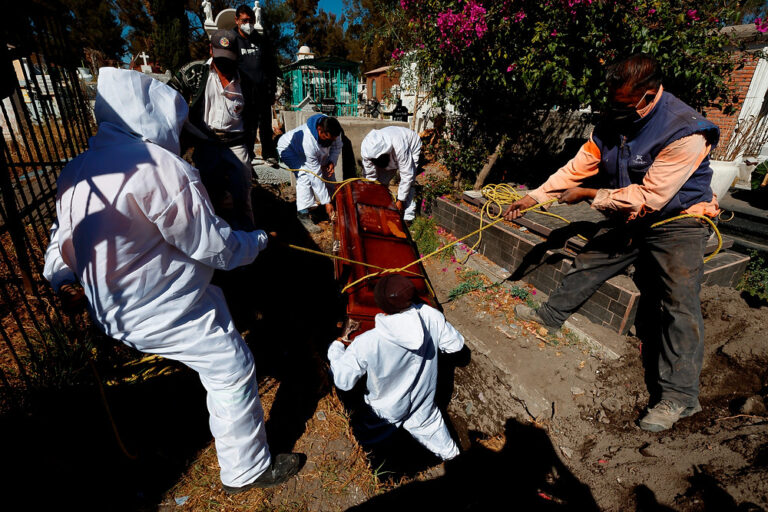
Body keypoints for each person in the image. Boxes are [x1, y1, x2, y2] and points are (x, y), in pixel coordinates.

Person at [43, 68, 300, 493]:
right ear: (153, 116)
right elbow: (214, 246)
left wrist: (62, 279)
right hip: (160, 307)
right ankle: (246, 468)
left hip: (111, 307)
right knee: (230, 366)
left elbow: (61, 238)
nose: (180, 138)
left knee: (214, 317)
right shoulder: (158, 167)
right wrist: (259, 241)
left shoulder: (76, 170)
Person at [503, 54, 720, 433]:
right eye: (611, 101)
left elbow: (650, 197)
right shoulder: (614, 120)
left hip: (677, 220)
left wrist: (589, 195)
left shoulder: (686, 131)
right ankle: (551, 317)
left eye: (622, 103)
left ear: (648, 94)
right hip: (631, 215)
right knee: (591, 259)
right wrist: (535, 197)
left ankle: (680, 397)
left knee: (679, 302)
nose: (614, 110)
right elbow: (579, 166)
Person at [327, 274, 464, 460]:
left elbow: (343, 381)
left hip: (385, 412)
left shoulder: (368, 341)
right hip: (423, 402)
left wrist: (337, 346)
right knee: (449, 451)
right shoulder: (431, 316)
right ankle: (463, 468)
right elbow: (455, 345)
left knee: (365, 448)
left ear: (380, 304)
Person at [168, 30, 255, 231]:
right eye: (220, 59)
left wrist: (249, 148)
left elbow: (252, 118)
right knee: (207, 191)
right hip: (205, 141)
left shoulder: (246, 82)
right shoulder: (194, 72)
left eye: (229, 60)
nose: (224, 66)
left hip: (235, 143)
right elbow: (168, 95)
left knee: (243, 193)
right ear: (211, 50)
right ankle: (214, 235)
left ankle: (248, 239)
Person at [276, 114, 342, 232]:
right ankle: (303, 214)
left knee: (328, 174)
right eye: (326, 138)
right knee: (304, 176)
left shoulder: (333, 128)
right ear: (319, 130)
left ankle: (333, 206)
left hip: (305, 152)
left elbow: (336, 148)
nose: (330, 142)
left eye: (332, 139)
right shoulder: (308, 140)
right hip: (290, 150)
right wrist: (326, 201)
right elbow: (315, 175)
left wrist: (332, 161)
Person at [233, 4, 280, 167]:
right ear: (237, 20)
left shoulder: (261, 41)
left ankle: (269, 153)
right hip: (243, 91)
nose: (248, 24)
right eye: (245, 20)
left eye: (251, 21)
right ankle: (248, 154)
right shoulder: (232, 39)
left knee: (265, 124)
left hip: (262, 91)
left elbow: (271, 67)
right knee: (247, 125)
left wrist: (273, 90)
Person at [361, 126, 422, 222]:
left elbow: (407, 174)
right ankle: (384, 208)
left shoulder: (399, 144)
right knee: (380, 183)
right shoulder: (367, 150)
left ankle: (408, 217)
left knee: (410, 182)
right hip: (393, 155)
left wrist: (400, 200)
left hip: (411, 146)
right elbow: (370, 177)